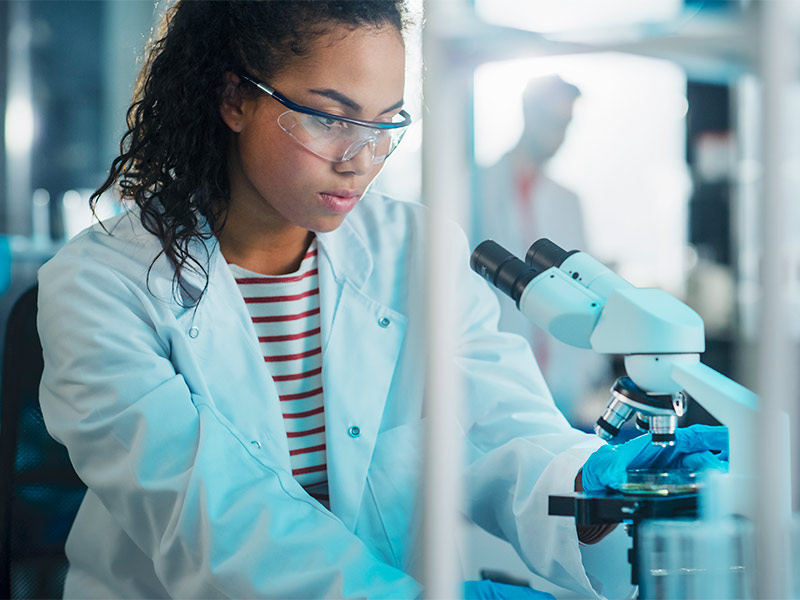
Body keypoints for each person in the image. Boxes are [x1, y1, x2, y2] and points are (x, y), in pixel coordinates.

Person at [36, 2, 727, 598]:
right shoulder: (100, 288)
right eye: (329, 119)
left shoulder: (416, 250)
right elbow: (212, 515)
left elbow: (497, 429)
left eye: (385, 124)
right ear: (234, 99)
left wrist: (591, 483)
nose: (360, 157)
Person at [474, 76, 606, 426]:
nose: (558, 134)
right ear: (527, 113)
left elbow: (586, 287)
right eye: (551, 120)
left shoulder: (568, 201)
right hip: (494, 369)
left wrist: (588, 372)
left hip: (561, 380)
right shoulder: (474, 186)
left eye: (566, 124)